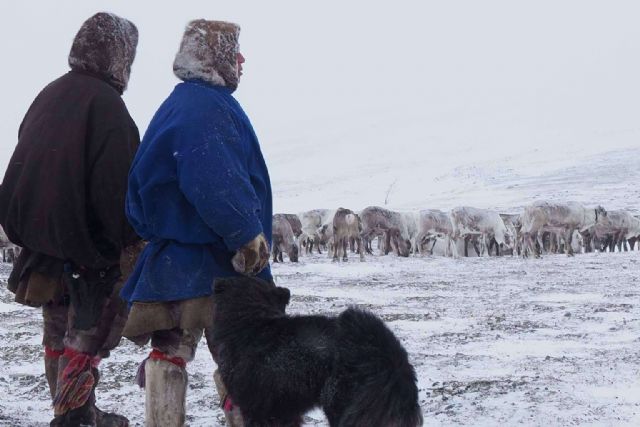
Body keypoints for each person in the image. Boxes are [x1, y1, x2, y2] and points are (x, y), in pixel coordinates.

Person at [121, 19, 272, 426]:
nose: (242, 60)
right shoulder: (206, 106)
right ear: (217, 58)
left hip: (174, 261)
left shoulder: (180, 103)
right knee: (243, 359)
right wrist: (246, 236)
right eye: (234, 52)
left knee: (169, 350)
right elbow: (213, 178)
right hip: (215, 263)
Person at [0, 12, 141, 427]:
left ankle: (76, 410)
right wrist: (127, 242)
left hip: (44, 248)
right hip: (87, 251)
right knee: (85, 335)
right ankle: (75, 416)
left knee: (56, 331)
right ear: (118, 56)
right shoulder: (107, 107)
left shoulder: (50, 95)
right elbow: (117, 188)